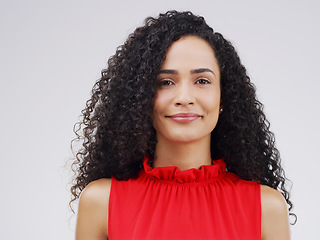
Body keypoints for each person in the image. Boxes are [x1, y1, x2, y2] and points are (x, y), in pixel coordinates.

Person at [71, 10, 295, 240]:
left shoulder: (266, 208)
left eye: (202, 81)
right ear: (140, 97)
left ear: (224, 97)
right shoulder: (101, 203)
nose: (185, 97)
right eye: (166, 82)